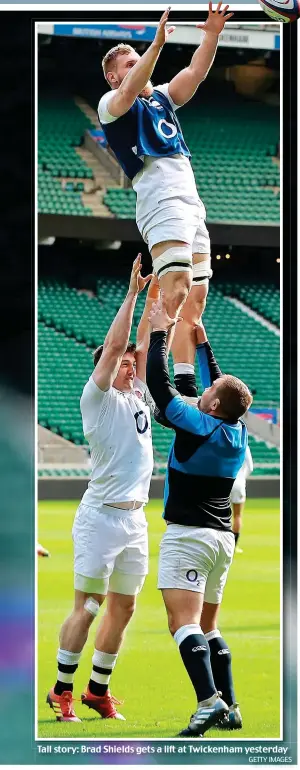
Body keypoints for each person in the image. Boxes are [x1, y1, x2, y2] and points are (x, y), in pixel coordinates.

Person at [47, 256, 159, 723]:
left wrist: (158, 303)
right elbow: (117, 346)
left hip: (135, 518)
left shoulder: (140, 397)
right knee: (88, 605)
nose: (131, 367)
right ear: (107, 370)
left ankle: (97, 690)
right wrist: (133, 295)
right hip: (101, 516)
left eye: (133, 365)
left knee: (125, 606)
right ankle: (61, 690)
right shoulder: (97, 399)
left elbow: (146, 346)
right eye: (124, 365)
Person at [98, 3, 234, 368]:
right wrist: (155, 46)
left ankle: (187, 385)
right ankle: (148, 376)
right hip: (160, 196)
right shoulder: (110, 103)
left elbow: (195, 72)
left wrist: (212, 35)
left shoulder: (161, 96)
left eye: (137, 60)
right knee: (175, 288)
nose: (138, 66)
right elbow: (128, 92)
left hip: (190, 198)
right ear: (113, 77)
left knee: (195, 300)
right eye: (130, 64)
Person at [146, 297, 252, 737]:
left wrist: (157, 332)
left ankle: (208, 701)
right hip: (222, 539)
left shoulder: (200, 423)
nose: (201, 391)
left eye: (205, 394)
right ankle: (229, 706)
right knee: (209, 624)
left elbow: (160, 385)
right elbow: (220, 388)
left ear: (209, 407)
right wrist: (203, 343)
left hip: (188, 536)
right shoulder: (236, 428)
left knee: (182, 623)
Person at [230, 445, 253, 554]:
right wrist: (242, 478)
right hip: (238, 483)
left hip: (224, 481)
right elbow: (250, 467)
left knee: (220, 513)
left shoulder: (223, 442)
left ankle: (220, 543)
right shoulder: (244, 445)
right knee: (237, 515)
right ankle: (233, 546)